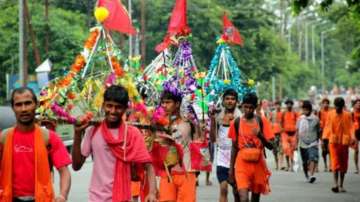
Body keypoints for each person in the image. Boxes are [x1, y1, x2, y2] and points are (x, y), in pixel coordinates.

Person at [72, 85, 157, 202]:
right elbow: (76, 166)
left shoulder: (132, 133)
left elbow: (148, 165)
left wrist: (152, 193)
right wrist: (77, 134)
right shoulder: (93, 131)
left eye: (118, 107)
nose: (112, 111)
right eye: (109, 106)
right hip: (96, 198)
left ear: (125, 109)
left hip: (124, 197)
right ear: (103, 105)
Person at [0, 87, 71, 202]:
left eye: (28, 103)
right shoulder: (3, 138)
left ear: (36, 105)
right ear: (13, 108)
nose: (24, 109)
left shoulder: (49, 138)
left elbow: (64, 172)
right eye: (19, 105)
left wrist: (62, 195)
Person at [228, 93, 274, 202]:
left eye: (251, 107)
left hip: (258, 165)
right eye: (246, 107)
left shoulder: (261, 121)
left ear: (255, 107)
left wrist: (261, 136)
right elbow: (234, 147)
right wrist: (231, 170)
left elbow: (271, 146)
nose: (248, 110)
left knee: (255, 198)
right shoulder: (236, 122)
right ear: (242, 105)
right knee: (243, 198)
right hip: (241, 165)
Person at [157, 89, 199, 202]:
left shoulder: (188, 123)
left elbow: (197, 146)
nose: (164, 105)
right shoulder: (158, 123)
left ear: (177, 104)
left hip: (187, 172)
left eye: (168, 102)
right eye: (163, 102)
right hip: (167, 173)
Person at [209, 89, 241, 202]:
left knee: (237, 191)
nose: (230, 101)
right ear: (223, 101)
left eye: (233, 99)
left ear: (237, 101)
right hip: (221, 158)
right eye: (227, 99)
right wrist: (212, 120)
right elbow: (212, 139)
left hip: (237, 158)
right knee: (223, 189)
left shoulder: (240, 118)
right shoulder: (218, 117)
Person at [324, 97, 356, 193]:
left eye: (339, 107)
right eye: (336, 106)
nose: (337, 109)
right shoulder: (330, 114)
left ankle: (341, 185)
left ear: (343, 107)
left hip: (344, 142)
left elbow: (351, 127)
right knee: (334, 163)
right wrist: (324, 139)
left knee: (343, 164)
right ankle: (335, 184)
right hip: (333, 142)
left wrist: (353, 137)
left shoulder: (348, 115)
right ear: (334, 106)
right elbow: (327, 126)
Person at [296, 101, 320, 183]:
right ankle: (307, 175)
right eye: (304, 109)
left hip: (313, 142)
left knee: (312, 158)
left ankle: (312, 175)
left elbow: (319, 130)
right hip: (302, 143)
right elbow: (297, 131)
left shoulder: (316, 119)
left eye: (306, 110)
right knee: (305, 161)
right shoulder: (300, 119)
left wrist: (319, 140)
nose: (305, 111)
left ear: (310, 110)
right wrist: (296, 143)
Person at [281, 99, 299, 171]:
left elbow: (297, 123)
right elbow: (281, 123)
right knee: (286, 149)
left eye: (290, 104)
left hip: (293, 134)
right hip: (285, 134)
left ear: (292, 105)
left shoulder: (295, 113)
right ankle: (288, 165)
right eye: (287, 104)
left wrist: (297, 135)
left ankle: (292, 165)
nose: (289, 105)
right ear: (286, 105)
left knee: (292, 150)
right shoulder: (283, 113)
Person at [270, 101, 283, 170]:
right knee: (275, 150)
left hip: (281, 133)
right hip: (273, 133)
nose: (278, 106)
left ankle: (281, 164)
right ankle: (277, 164)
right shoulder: (272, 113)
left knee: (281, 149)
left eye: (279, 105)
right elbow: (269, 121)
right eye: (276, 105)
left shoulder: (283, 113)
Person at [318, 98, 331, 172]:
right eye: (324, 103)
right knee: (324, 150)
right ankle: (325, 165)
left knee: (330, 149)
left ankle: (330, 165)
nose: (325, 104)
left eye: (327, 103)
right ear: (322, 104)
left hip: (330, 133)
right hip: (322, 133)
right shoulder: (320, 112)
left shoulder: (331, 112)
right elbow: (318, 123)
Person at [351, 98, 360, 174]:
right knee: (356, 151)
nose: (359, 104)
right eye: (357, 103)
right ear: (354, 105)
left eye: (359, 103)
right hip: (356, 133)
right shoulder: (352, 113)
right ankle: (357, 168)